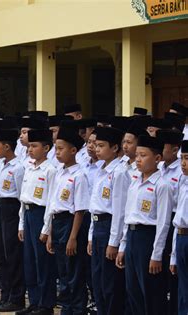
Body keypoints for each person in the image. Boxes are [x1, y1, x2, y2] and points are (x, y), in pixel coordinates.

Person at [116, 135, 173, 315]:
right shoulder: (134, 183)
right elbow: (128, 217)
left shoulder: (162, 185)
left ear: (157, 159)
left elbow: (163, 223)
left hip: (148, 239)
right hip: (132, 238)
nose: (138, 160)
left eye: (143, 155)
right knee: (133, 290)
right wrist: (123, 246)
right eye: (137, 155)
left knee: (151, 291)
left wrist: (156, 254)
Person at [45, 126, 89, 315]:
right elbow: (53, 204)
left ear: (73, 150)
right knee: (62, 271)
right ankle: (67, 308)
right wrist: (50, 234)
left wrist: (73, 237)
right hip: (58, 223)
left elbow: (80, 210)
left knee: (74, 273)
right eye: (56, 148)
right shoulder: (59, 172)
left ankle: (77, 309)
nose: (57, 152)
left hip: (71, 224)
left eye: (61, 148)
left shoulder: (79, 175)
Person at [87, 127, 129, 315]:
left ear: (114, 148)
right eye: (95, 145)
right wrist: (90, 236)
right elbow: (94, 206)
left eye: (101, 146)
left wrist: (114, 242)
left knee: (109, 283)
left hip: (109, 226)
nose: (97, 149)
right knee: (97, 280)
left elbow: (119, 211)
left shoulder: (119, 172)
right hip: (97, 226)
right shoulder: (100, 170)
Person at [17, 129, 57, 315]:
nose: (30, 149)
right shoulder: (29, 167)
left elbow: (51, 202)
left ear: (46, 148)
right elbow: (23, 198)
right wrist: (21, 224)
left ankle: (45, 303)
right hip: (28, 214)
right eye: (30, 146)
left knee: (43, 263)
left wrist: (46, 228)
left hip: (41, 216)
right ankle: (33, 301)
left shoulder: (50, 170)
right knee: (30, 262)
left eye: (35, 146)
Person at [0, 128, 25, 312]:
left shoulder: (18, 167)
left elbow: (20, 196)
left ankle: (16, 297)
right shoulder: (4, 164)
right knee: (1, 254)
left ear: (7, 146)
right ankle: (5, 294)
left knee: (12, 255)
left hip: (11, 209)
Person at [156, 129, 184, 315]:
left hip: (175, 222)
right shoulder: (160, 169)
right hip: (159, 221)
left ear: (175, 150)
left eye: (163, 147)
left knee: (175, 277)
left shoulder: (181, 171)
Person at [170, 140, 188, 314]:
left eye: (187, 158)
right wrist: (174, 256)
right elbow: (178, 222)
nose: (183, 163)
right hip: (182, 238)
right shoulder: (183, 183)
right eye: (181, 158)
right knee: (183, 292)